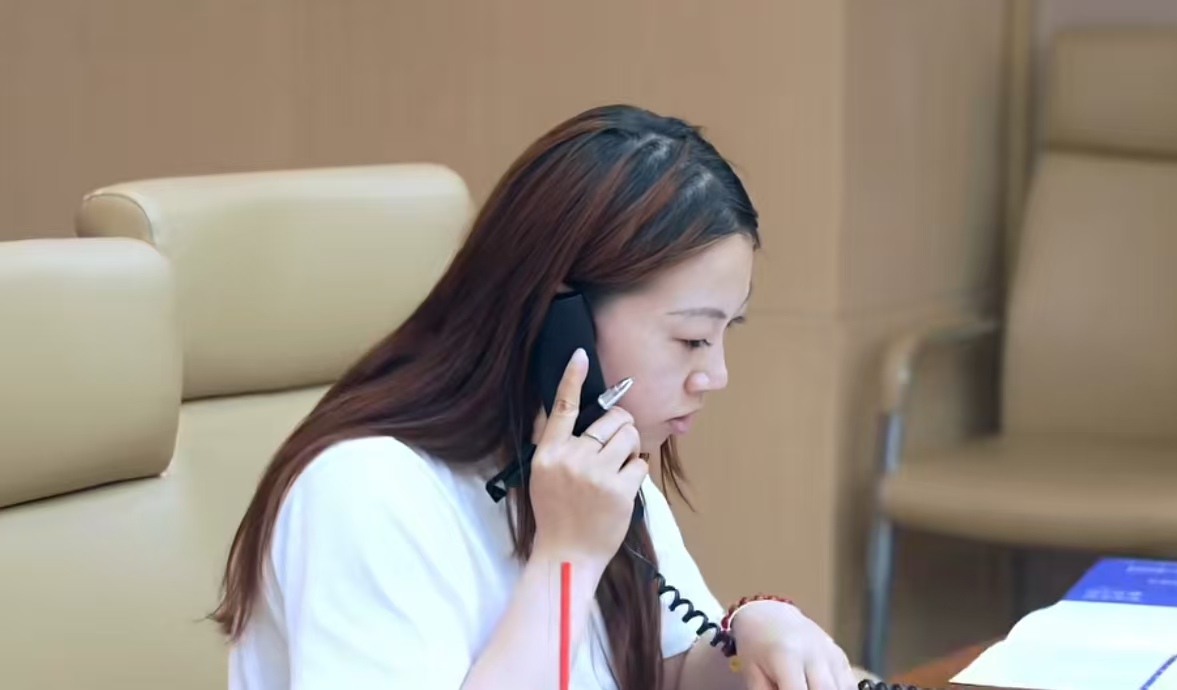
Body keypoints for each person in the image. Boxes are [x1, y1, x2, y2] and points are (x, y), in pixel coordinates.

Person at [213, 104, 857, 690]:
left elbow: (665, 671)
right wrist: (567, 559)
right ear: (558, 318)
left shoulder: (591, 462)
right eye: (690, 339)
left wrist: (755, 634)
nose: (714, 374)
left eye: (724, 333)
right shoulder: (365, 491)